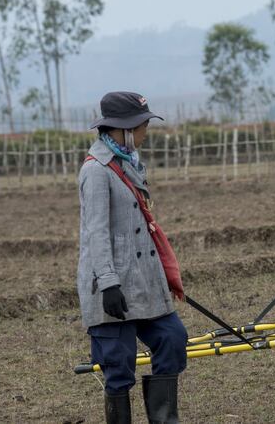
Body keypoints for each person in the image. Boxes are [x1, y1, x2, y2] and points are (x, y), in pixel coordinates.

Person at [77, 91, 187, 423]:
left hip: (141, 282)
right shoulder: (96, 171)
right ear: (122, 129)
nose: (145, 131)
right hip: (110, 285)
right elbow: (95, 232)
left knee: (172, 337)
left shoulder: (129, 164)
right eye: (141, 125)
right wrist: (109, 283)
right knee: (118, 365)